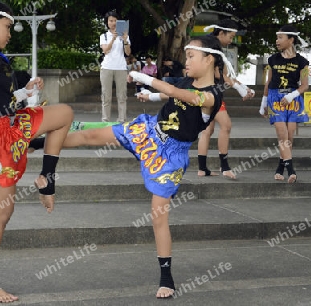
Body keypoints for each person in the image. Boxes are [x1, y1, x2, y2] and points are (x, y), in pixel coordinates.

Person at [61, 35, 233, 299]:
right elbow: (168, 92)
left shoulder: (213, 95)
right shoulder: (185, 78)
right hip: (149, 131)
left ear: (209, 58)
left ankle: (167, 278)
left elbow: (183, 95)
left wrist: (145, 78)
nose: (185, 61)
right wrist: (149, 92)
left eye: (191, 56)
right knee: (91, 135)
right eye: (186, 56)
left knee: (158, 215)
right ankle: (37, 143)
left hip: (171, 156)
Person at [0, 0, 73, 302]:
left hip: (11, 124)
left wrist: (25, 91)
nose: (10, 33)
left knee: (63, 114)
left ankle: (47, 178)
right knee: (2, 212)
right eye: (7, 27)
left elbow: (0, 100)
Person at [197, 19, 255, 179]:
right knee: (226, 125)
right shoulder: (212, 46)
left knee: (207, 130)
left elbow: (223, 76)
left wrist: (243, 87)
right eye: (231, 36)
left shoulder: (207, 43)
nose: (232, 40)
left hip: (203, 91)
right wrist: (240, 89)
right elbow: (219, 75)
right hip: (210, 93)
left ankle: (202, 169)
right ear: (221, 33)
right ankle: (225, 167)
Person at [259, 25, 309, 183]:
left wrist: (291, 96)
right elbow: (268, 82)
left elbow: (305, 85)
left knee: (289, 136)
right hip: (275, 98)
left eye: (280, 37)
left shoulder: (303, 62)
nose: (277, 41)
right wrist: (264, 103)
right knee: (282, 135)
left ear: (291, 39)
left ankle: (280, 167)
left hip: (293, 100)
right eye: (277, 37)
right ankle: (291, 171)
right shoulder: (272, 59)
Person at [100, 10, 131, 123]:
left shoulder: (124, 36)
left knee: (122, 96)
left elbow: (128, 53)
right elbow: (105, 50)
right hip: (106, 68)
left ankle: (122, 120)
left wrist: (125, 40)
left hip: (121, 68)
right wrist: (113, 38)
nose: (113, 23)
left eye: (115, 21)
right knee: (106, 96)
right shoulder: (104, 36)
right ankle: (105, 121)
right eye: (111, 21)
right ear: (107, 22)